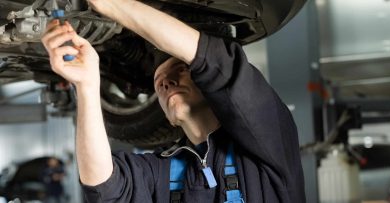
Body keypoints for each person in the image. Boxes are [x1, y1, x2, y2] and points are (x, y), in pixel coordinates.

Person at [41, 0, 306, 202]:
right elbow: (107, 187)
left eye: (179, 71)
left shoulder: (269, 145)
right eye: (159, 81)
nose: (166, 83)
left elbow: (216, 63)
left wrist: (113, 4)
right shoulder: (168, 169)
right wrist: (86, 86)